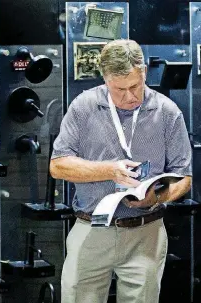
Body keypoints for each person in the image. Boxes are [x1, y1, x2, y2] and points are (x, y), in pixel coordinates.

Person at [50, 39, 192, 303]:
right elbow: (58, 165)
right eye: (119, 89)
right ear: (105, 80)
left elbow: (184, 177)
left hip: (146, 232)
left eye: (135, 86)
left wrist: (156, 198)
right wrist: (108, 170)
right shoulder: (83, 106)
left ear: (144, 72)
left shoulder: (168, 112)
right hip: (91, 229)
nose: (130, 97)